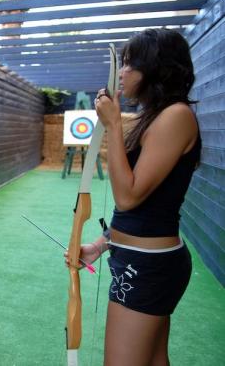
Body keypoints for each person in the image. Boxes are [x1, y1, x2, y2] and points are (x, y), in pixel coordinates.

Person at [66, 28, 200, 365]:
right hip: (139, 261)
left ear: (157, 70)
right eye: (122, 64)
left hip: (148, 267)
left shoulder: (176, 117)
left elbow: (128, 198)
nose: (121, 73)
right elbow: (144, 208)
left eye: (130, 65)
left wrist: (112, 125)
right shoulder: (155, 118)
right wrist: (100, 245)